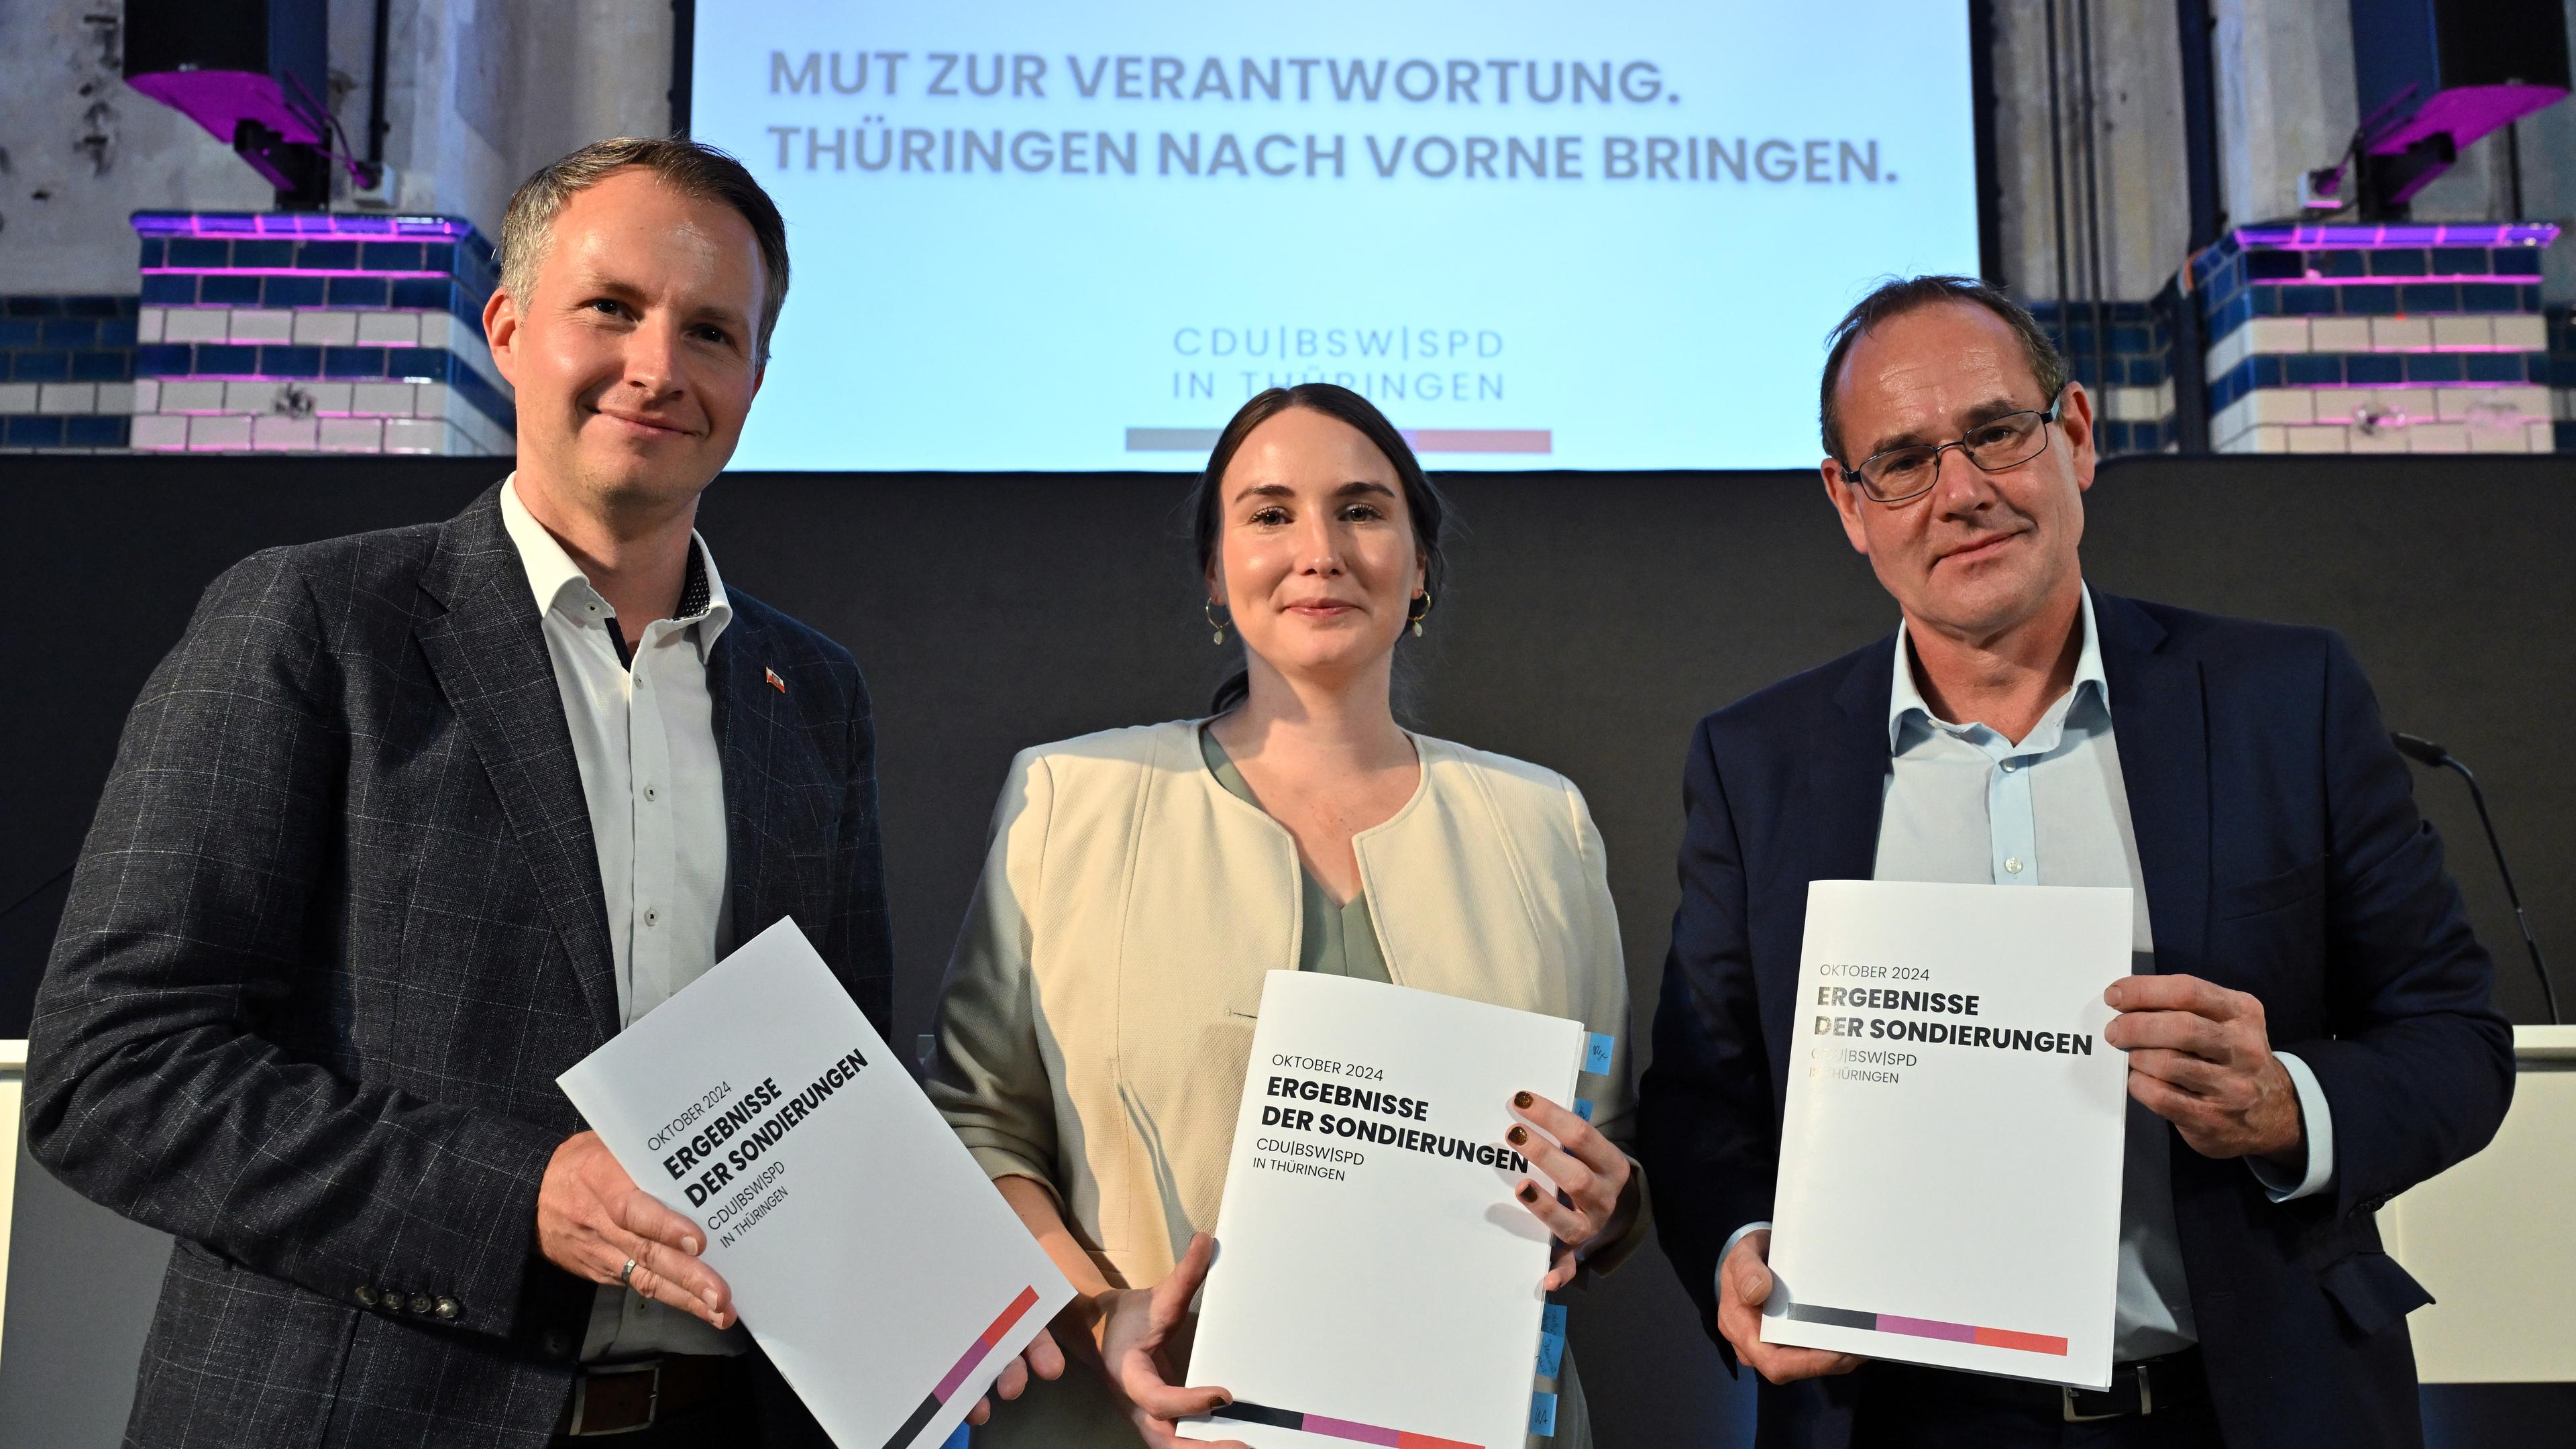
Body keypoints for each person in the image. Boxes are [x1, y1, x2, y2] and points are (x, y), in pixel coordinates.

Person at [24, 138, 1053, 1447]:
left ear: (756, 380)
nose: (658, 366)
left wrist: (958, 1295)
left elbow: (827, 1107)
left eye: (712, 332)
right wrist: (514, 1198)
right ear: (508, 329)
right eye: (611, 310)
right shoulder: (318, 624)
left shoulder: (814, 695)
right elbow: (113, 1071)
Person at [1636, 276, 2514, 1449]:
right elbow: (1704, 1105)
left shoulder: (2281, 702)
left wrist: (2283, 1108)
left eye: (1996, 432)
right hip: (1903, 1423)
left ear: (2078, 436)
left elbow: (2456, 1038)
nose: (1961, 494)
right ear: (1850, 506)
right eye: (1901, 462)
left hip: (2247, 1407)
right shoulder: (1757, 763)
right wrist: (1745, 1251)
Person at [926, 383, 1646, 1449]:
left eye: (1361, 509)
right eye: (1269, 513)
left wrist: (1609, 1204)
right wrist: (1097, 1310)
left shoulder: (1543, 824)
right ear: (1217, 574)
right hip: (1135, 1425)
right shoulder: (1067, 801)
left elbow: (1602, 1141)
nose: (1320, 549)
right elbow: (976, 1126)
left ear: (1420, 565)